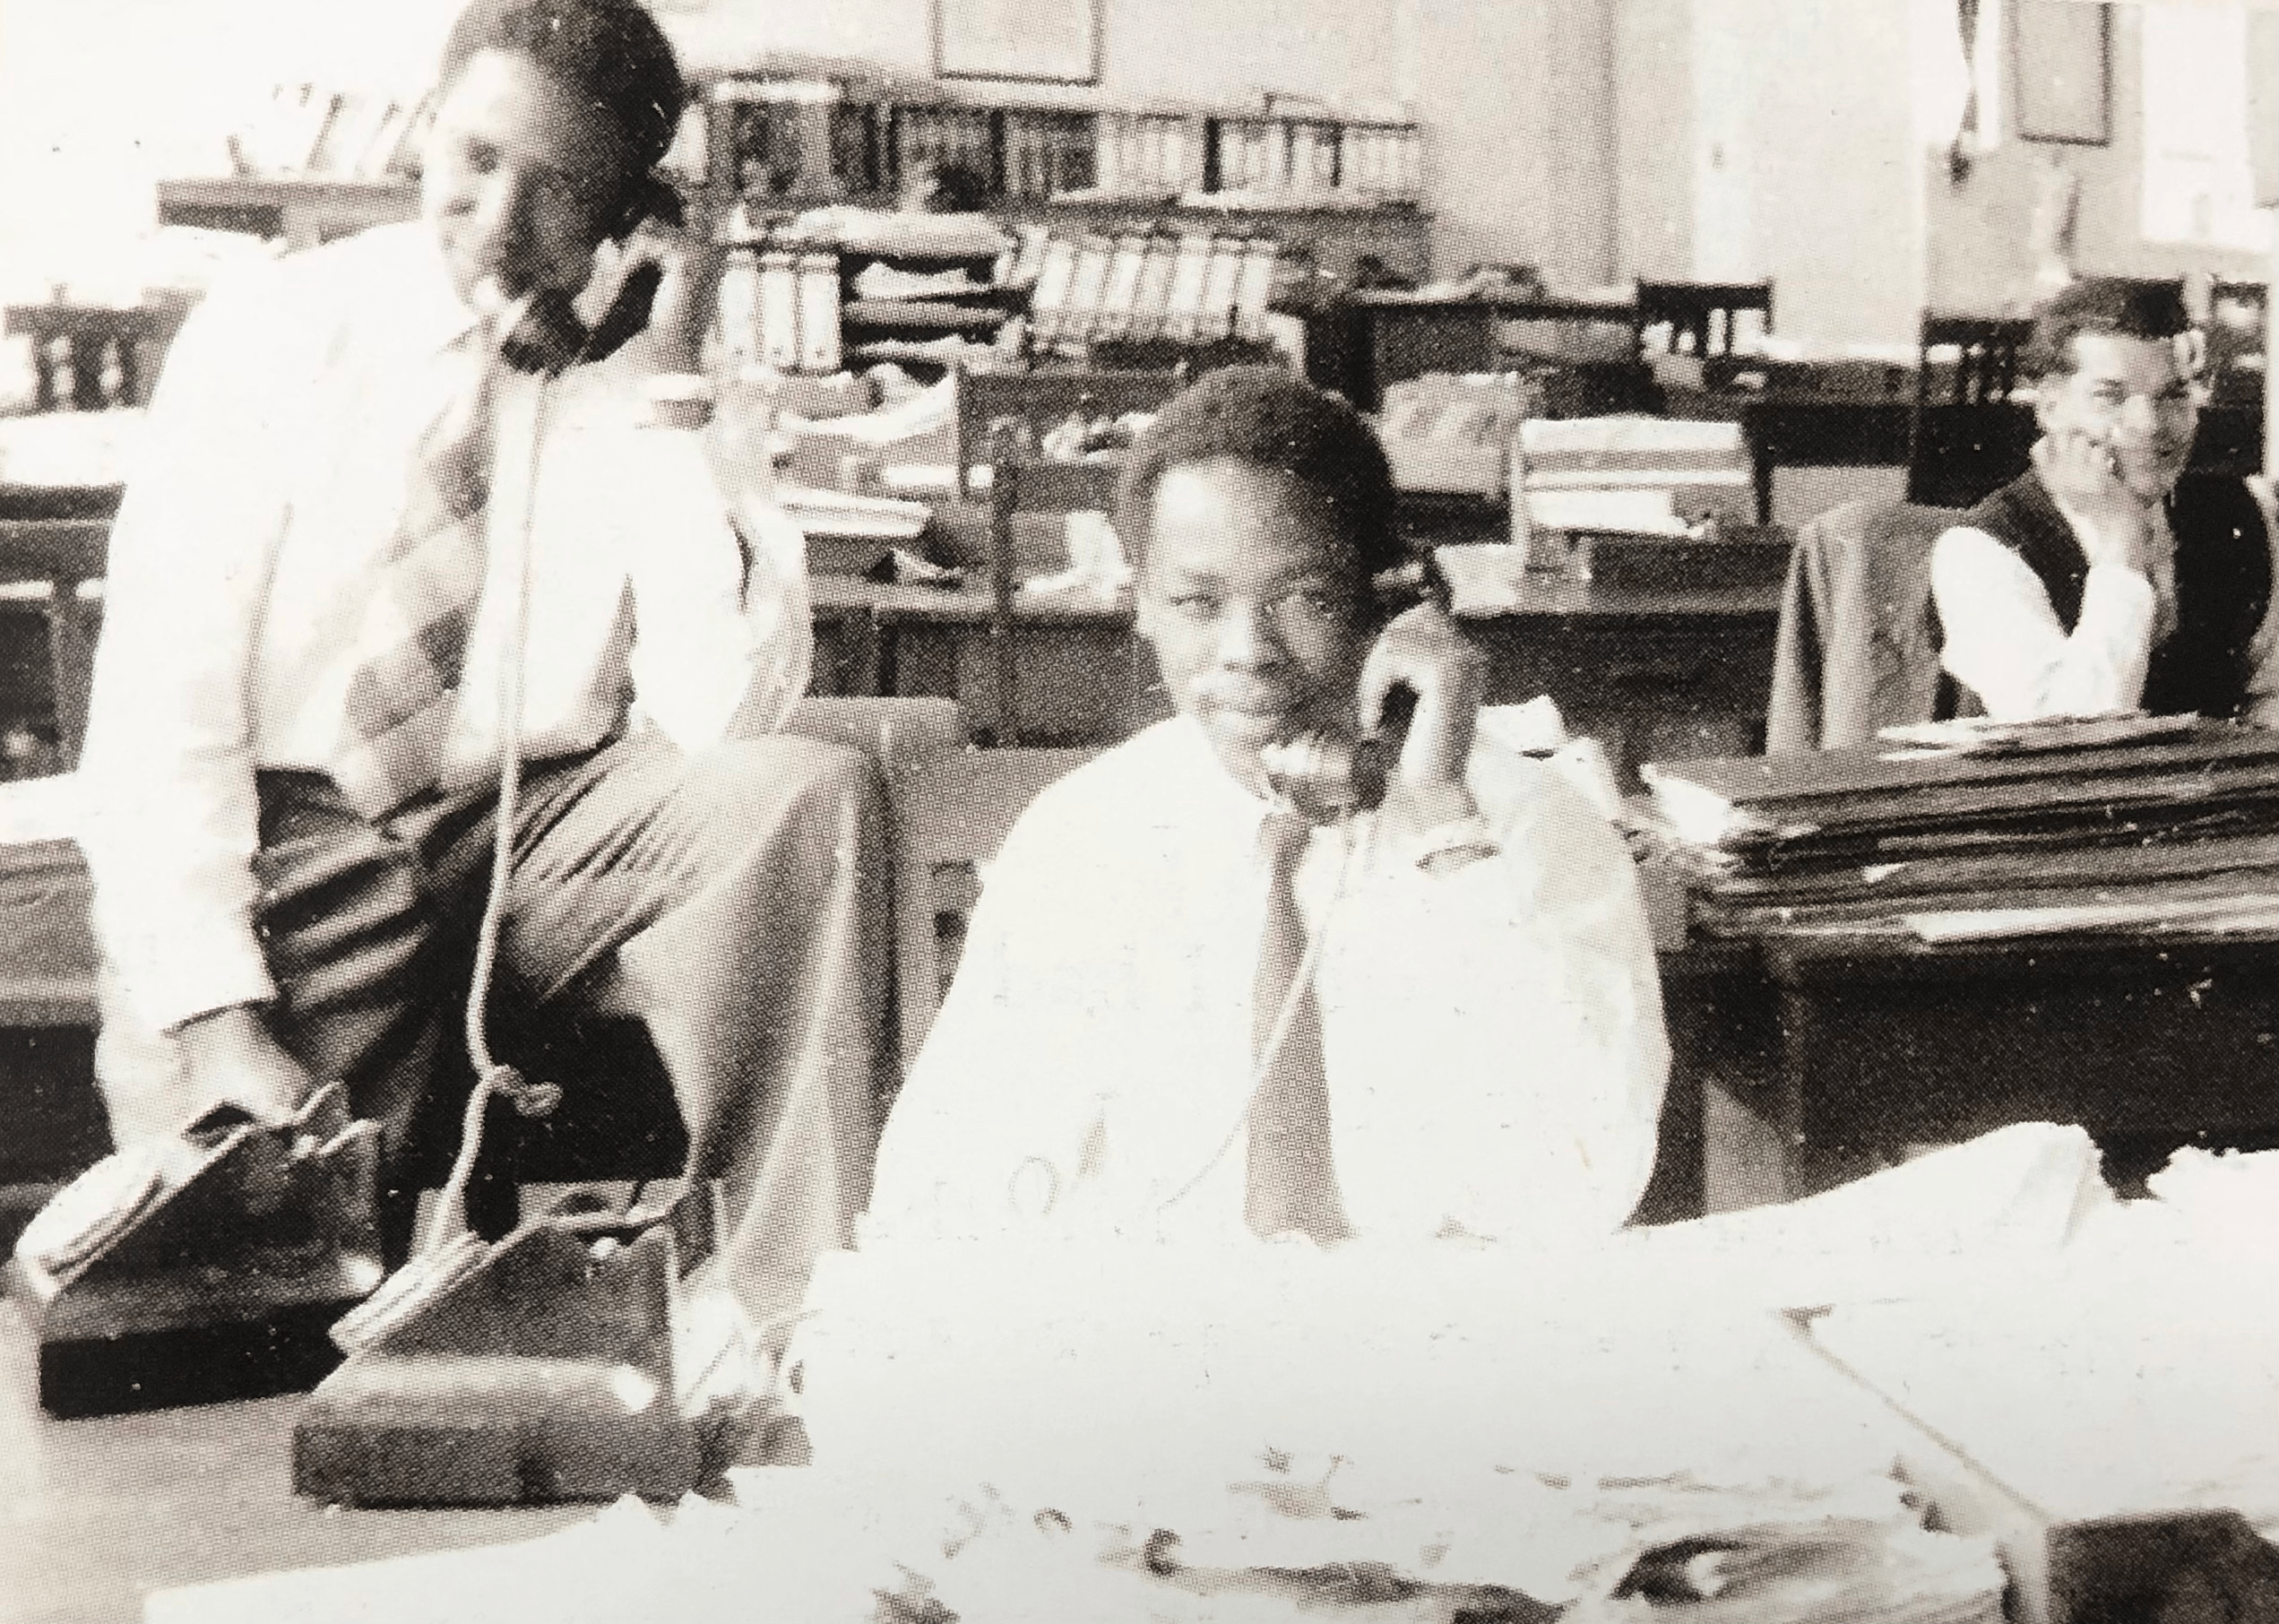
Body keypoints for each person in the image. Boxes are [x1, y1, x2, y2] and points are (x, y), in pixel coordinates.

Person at [76, 0, 882, 1337]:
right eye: (474, 161)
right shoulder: (273, 337)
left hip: (543, 821)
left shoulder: (654, 380)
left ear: (638, 211)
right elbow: (163, 712)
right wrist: (218, 1016)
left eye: (559, 188)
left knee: (805, 795)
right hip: (293, 827)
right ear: (425, 131)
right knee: (250, 1297)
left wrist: (669, 398)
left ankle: (778, 1314)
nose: (501, 225)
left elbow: (722, 711)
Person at [865, 368, 1668, 1247]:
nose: (1247, 652)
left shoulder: (1524, 828)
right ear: (1138, 606)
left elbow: (1587, 1187)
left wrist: (1443, 819)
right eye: (1196, 604)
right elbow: (945, 1179)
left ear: (1384, 600)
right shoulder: (1084, 838)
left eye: (1304, 598)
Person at [1929, 278, 2278, 725]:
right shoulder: (1979, 550)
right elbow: (2071, 737)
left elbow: (2269, 697)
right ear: (2049, 406)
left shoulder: (2242, 514)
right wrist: (2120, 551)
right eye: (2110, 396)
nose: (2149, 425)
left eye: (2172, 395)